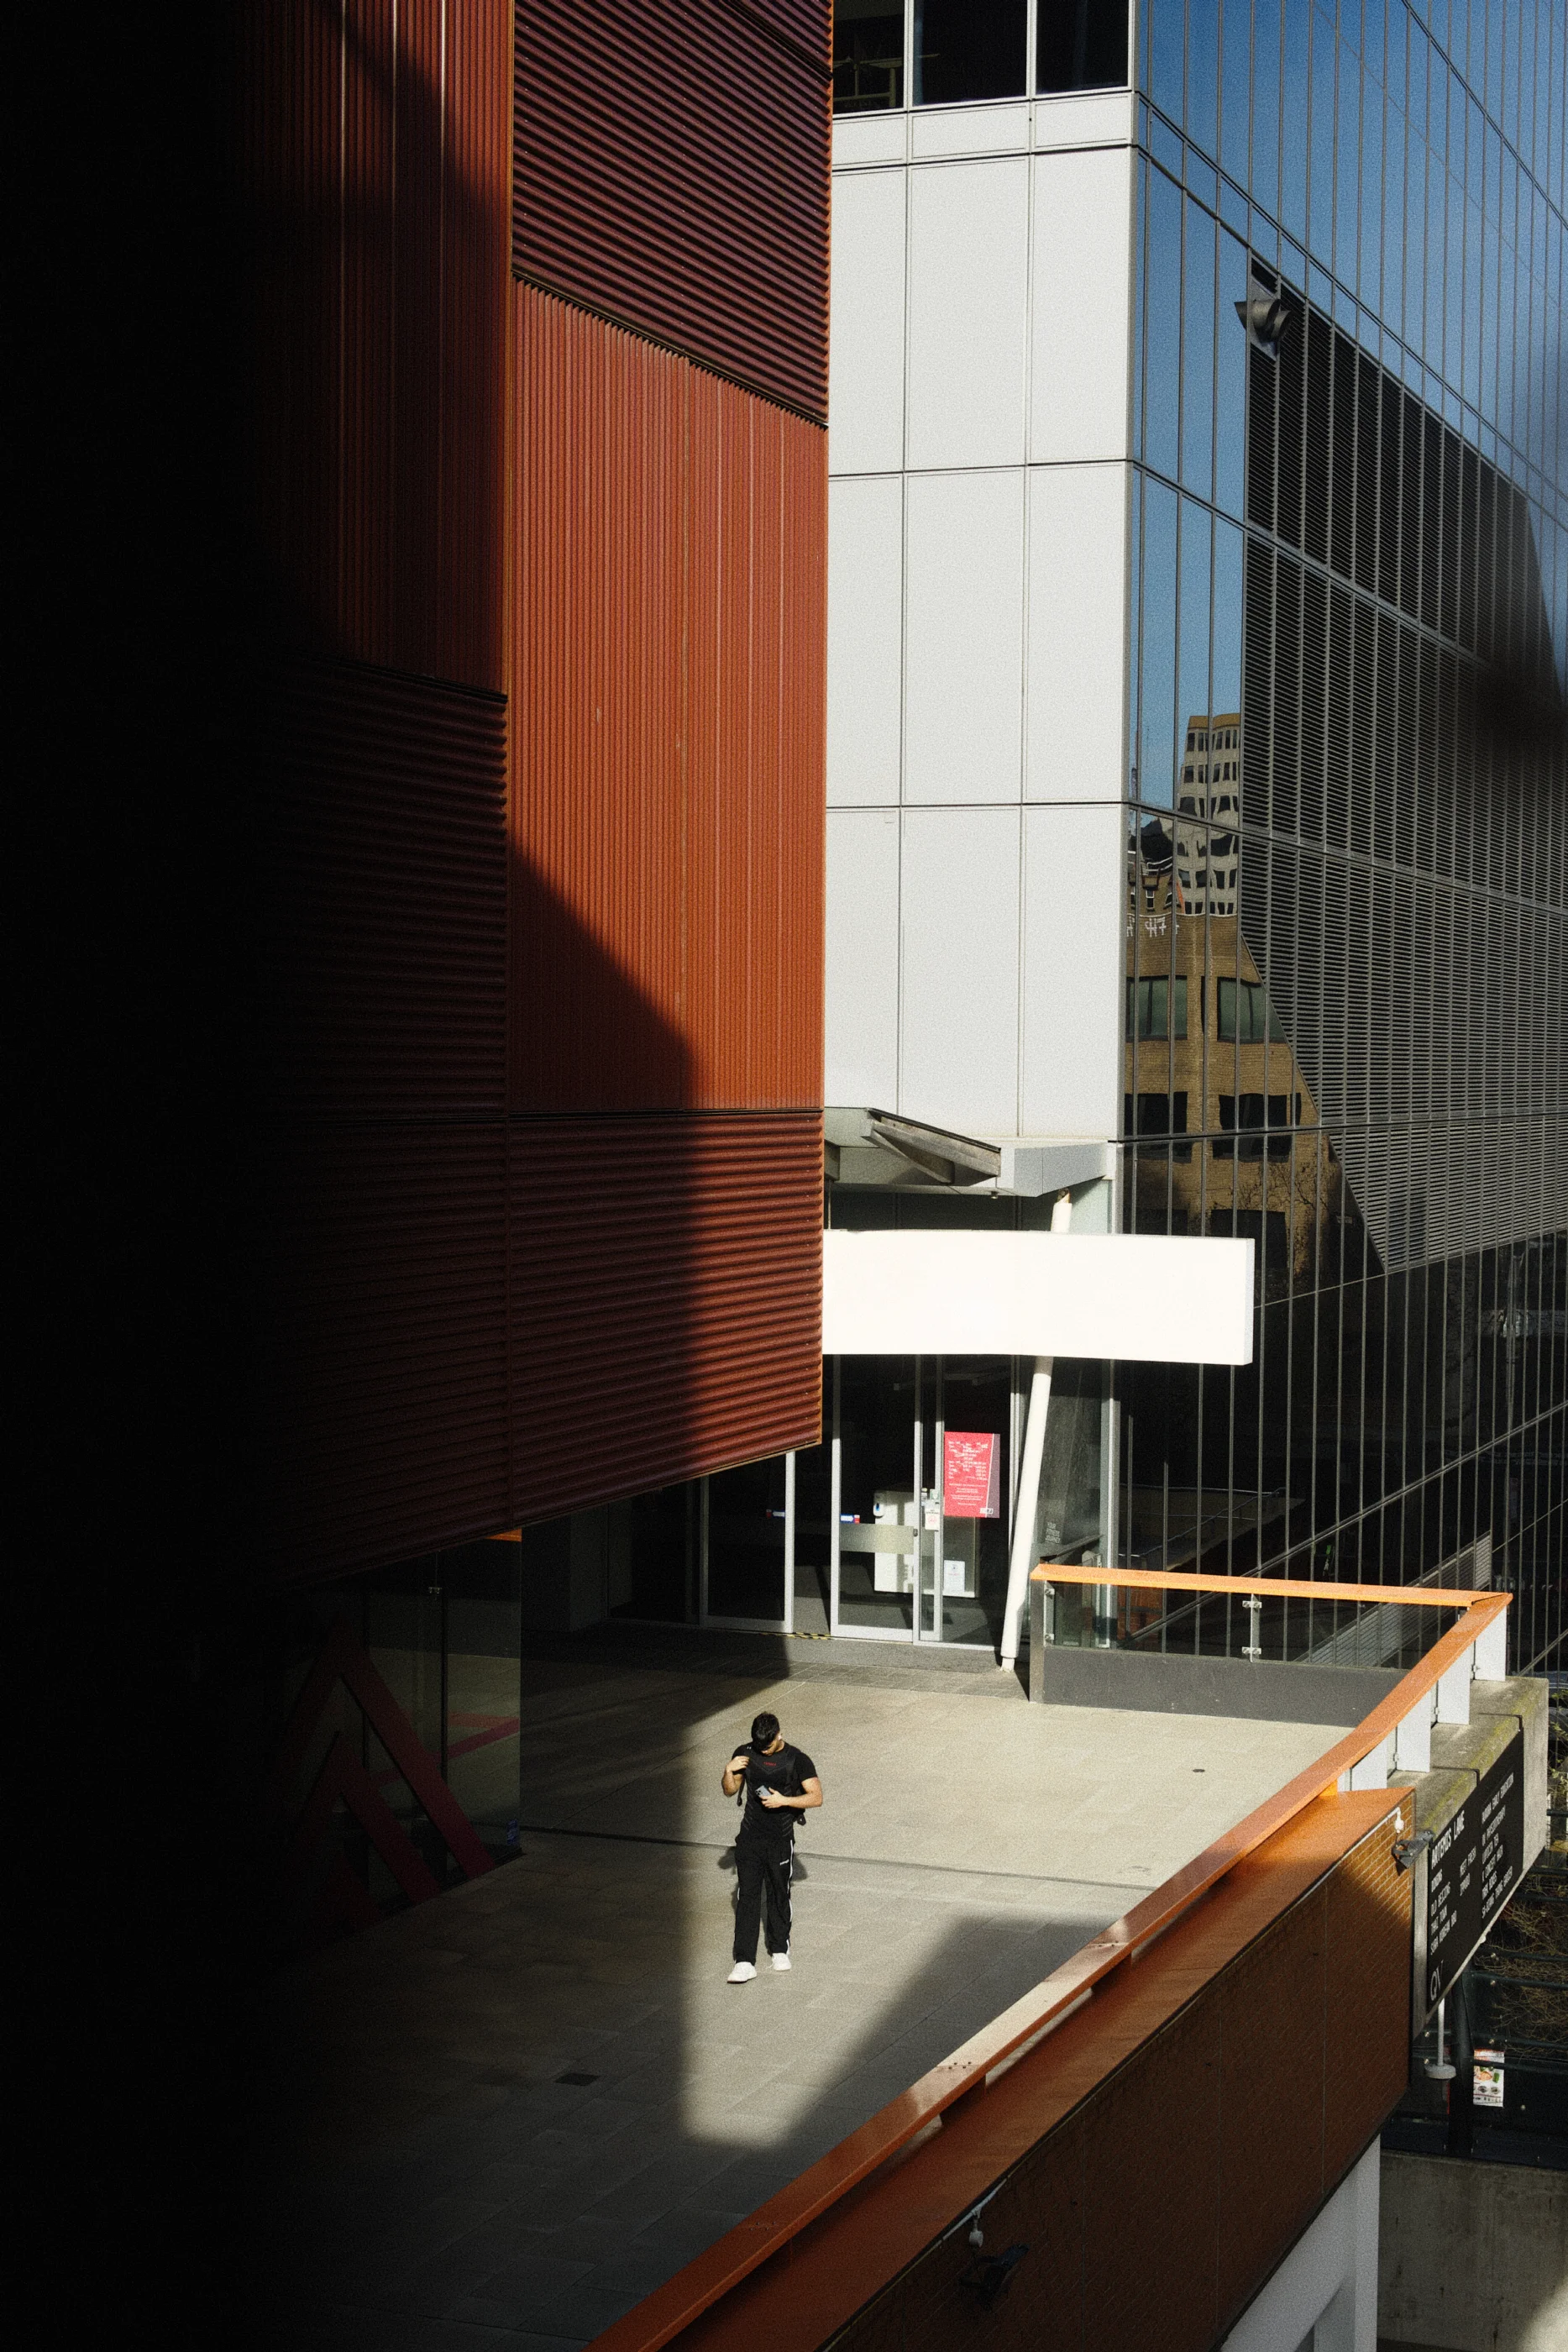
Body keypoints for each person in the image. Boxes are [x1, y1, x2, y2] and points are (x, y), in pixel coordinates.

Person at [721, 1711, 822, 1982]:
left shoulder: (797, 1759)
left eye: (768, 1745)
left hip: (780, 1839)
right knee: (747, 1898)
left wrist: (784, 1802)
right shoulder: (744, 1753)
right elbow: (730, 1790)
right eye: (759, 1746)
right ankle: (744, 1961)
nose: (763, 1751)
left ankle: (779, 1949)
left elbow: (816, 1798)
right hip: (750, 1837)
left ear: (779, 1735)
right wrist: (728, 1771)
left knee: (779, 1894)